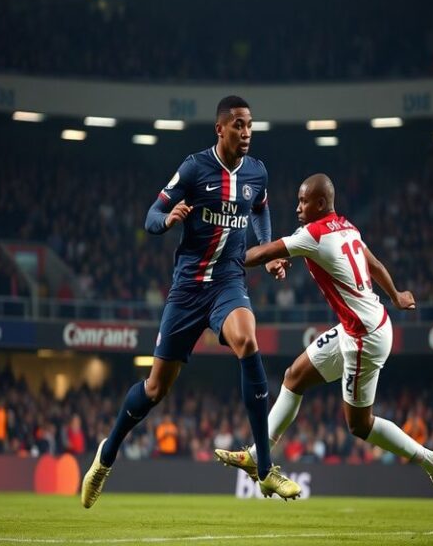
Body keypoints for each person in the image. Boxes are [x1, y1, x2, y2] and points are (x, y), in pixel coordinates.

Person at [81, 95, 301, 508]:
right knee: (155, 389)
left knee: (248, 341)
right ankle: (105, 457)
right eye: (238, 124)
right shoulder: (194, 168)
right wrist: (167, 221)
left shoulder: (257, 172)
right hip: (187, 290)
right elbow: (150, 216)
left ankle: (265, 466)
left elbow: (260, 209)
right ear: (220, 129)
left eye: (250, 124)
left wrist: (268, 251)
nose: (246, 131)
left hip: (228, 284)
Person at [214, 173, 433, 512]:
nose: (298, 207)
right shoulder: (345, 226)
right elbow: (372, 263)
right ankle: (257, 456)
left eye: (303, 201)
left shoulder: (312, 234)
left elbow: (262, 253)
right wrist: (397, 295)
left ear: (321, 204)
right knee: (294, 376)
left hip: (363, 338)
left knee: (359, 425)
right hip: (361, 325)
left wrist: (223, 258)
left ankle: (432, 460)